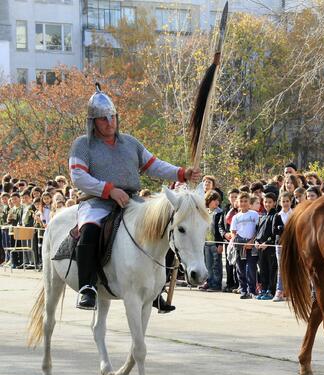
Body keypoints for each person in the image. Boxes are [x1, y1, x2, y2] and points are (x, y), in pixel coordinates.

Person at [69, 85, 201, 311]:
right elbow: (78, 175)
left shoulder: (130, 143)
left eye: (112, 117)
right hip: (97, 201)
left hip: (131, 201)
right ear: (93, 122)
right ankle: (87, 287)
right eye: (103, 119)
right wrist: (109, 189)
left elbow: (154, 165)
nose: (109, 122)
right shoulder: (83, 144)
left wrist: (181, 173)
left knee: (162, 228)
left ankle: (156, 288)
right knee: (89, 230)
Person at [231, 192, 259, 299]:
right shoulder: (236, 217)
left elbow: (257, 229)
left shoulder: (254, 214)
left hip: (251, 245)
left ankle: (252, 290)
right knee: (240, 268)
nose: (243, 203)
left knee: (251, 268)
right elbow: (233, 231)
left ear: (249, 203)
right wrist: (237, 241)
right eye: (241, 201)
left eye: (245, 201)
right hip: (240, 245)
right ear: (238, 203)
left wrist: (251, 241)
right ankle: (243, 290)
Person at [255, 192, 278, 300]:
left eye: (270, 202)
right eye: (265, 202)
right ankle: (263, 289)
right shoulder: (262, 216)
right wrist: (256, 241)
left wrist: (268, 243)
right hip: (260, 248)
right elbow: (258, 232)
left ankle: (270, 290)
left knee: (271, 269)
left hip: (270, 248)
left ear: (274, 203)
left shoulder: (275, 216)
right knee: (262, 269)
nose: (267, 204)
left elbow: (275, 234)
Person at [200, 191, 224, 292]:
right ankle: (209, 282)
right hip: (206, 243)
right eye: (214, 200)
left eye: (218, 200)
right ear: (209, 200)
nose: (217, 202)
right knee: (207, 264)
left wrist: (220, 244)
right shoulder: (205, 212)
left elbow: (220, 229)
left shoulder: (219, 212)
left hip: (215, 243)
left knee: (216, 265)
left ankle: (216, 284)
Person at [272, 192, 293, 302]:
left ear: (290, 201)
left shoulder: (294, 214)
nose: (285, 203)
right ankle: (279, 290)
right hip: (280, 245)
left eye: (287, 201)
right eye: (283, 201)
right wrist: (283, 229)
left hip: (292, 245)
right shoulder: (278, 215)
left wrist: (283, 229)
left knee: (292, 267)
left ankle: (291, 291)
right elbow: (274, 230)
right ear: (280, 202)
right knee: (281, 267)